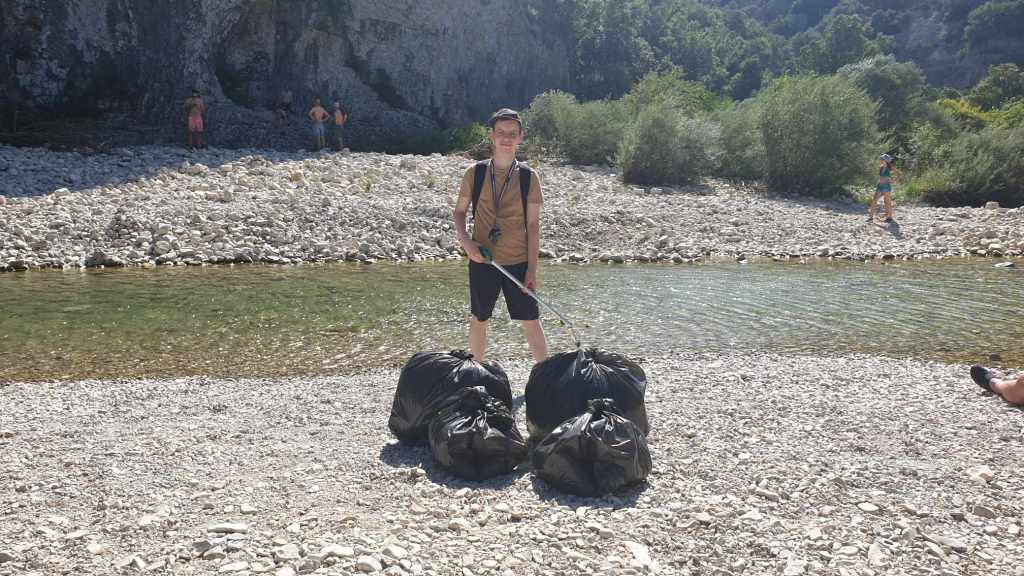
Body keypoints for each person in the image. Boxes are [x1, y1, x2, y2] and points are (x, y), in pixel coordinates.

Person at [453, 108, 549, 363]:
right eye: (501, 133)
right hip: (482, 260)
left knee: (531, 321)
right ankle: (475, 374)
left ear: (520, 138)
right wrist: (466, 242)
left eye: (512, 134)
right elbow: (459, 212)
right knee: (479, 319)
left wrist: (532, 270)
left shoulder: (530, 177)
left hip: (518, 263)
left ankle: (547, 378)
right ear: (492, 136)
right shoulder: (475, 173)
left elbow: (533, 226)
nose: (507, 138)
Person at [868, 153, 897, 223]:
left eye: (882, 159)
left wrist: (893, 181)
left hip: (886, 186)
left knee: (887, 202)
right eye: (881, 159)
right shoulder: (881, 167)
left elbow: (898, 174)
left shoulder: (890, 168)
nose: (880, 160)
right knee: (874, 200)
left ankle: (889, 217)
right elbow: (881, 177)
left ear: (885, 160)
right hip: (880, 186)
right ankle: (871, 217)